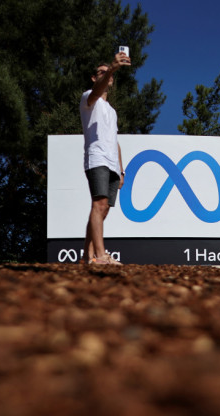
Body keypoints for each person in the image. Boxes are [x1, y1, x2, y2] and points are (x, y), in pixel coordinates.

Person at [79, 51, 131, 265]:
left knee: (103, 210)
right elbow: (95, 93)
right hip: (97, 158)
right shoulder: (88, 98)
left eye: (107, 74)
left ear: (111, 81)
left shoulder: (111, 111)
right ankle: (100, 256)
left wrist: (121, 169)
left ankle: (86, 257)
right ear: (94, 78)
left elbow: (114, 140)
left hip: (111, 163)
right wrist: (112, 67)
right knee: (98, 204)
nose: (104, 76)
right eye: (99, 73)